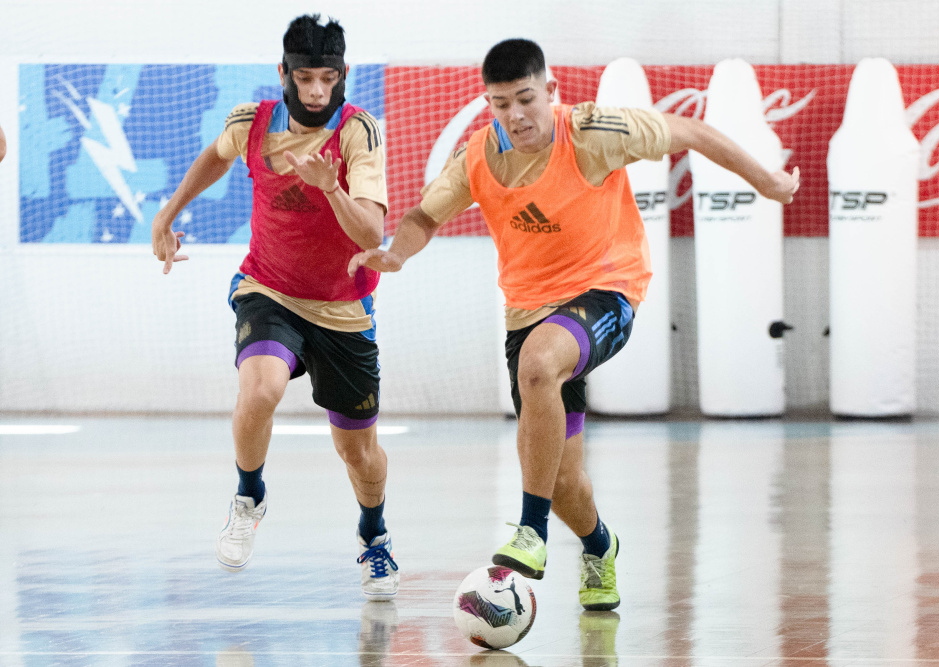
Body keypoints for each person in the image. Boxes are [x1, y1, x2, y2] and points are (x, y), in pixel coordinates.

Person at [350, 38, 798, 611]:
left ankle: (530, 531)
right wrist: (396, 254)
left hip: (606, 291)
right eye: (500, 103)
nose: (514, 115)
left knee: (540, 364)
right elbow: (422, 215)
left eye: (525, 99)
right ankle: (600, 546)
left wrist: (767, 181)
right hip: (527, 314)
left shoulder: (592, 133)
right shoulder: (479, 155)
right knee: (564, 481)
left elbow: (690, 131)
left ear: (552, 92)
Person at [152, 14, 399, 598]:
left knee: (357, 451)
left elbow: (371, 236)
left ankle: (374, 535)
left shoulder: (360, 133)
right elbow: (216, 156)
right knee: (259, 388)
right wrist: (168, 214)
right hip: (269, 289)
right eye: (306, 77)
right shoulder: (253, 123)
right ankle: (248, 496)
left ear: (343, 76)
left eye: (329, 78)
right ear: (283, 72)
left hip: (342, 308)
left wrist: (329, 186)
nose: (318, 91)